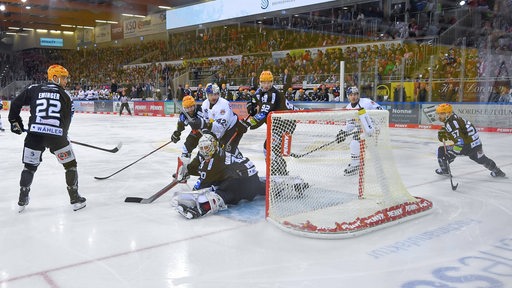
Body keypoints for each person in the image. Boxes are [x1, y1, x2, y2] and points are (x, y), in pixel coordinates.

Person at [8, 64, 86, 212]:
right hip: (57, 137)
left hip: (34, 135)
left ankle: (22, 199)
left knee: (29, 167)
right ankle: (75, 199)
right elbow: (68, 118)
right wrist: (63, 135)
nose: (66, 81)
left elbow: (16, 103)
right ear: (54, 78)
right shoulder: (66, 95)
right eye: (63, 78)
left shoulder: (34, 89)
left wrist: (14, 121)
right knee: (70, 165)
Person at [172, 133, 265, 219]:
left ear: (213, 146)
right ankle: (265, 186)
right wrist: (186, 172)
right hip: (238, 175)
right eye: (202, 148)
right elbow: (194, 168)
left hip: (246, 180)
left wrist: (193, 196)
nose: (204, 151)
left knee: (223, 192)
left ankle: (203, 209)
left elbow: (202, 184)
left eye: (207, 147)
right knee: (219, 186)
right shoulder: (208, 153)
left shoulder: (218, 159)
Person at [244, 70, 298, 175]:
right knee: (267, 148)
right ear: (260, 82)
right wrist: (251, 108)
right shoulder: (259, 92)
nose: (266, 85)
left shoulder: (272, 94)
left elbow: (264, 113)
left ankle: (279, 172)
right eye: (264, 82)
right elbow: (252, 102)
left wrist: (249, 123)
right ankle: (275, 170)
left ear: (272, 82)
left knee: (272, 148)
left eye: (268, 82)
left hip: (286, 123)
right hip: (276, 123)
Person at [435, 103, 505, 178]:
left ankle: (445, 170)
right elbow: (461, 134)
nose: (440, 116)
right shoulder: (456, 118)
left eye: (442, 114)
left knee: (442, 150)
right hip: (476, 144)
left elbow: (460, 142)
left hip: (466, 146)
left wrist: (451, 154)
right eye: (439, 114)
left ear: (448, 113)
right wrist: (447, 135)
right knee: (481, 159)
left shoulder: (451, 123)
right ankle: (497, 171)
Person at [336, 86, 383, 176]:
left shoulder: (366, 102)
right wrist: (343, 132)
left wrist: (374, 125)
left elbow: (381, 111)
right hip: (361, 129)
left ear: (358, 95)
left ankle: (356, 164)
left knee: (355, 143)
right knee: (356, 142)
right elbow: (350, 124)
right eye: (351, 95)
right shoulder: (349, 107)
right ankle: (357, 162)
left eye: (355, 94)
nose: (353, 97)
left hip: (372, 128)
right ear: (348, 96)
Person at [197, 83, 247, 157]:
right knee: (218, 149)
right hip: (219, 129)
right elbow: (206, 119)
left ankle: (241, 161)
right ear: (207, 95)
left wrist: (205, 125)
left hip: (231, 128)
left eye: (216, 94)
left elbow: (219, 128)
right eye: (211, 95)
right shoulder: (205, 104)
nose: (214, 97)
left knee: (228, 150)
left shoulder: (224, 104)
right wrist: (205, 131)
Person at [171, 95, 205, 163]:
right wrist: (177, 133)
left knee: (205, 151)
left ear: (194, 105)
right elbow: (180, 125)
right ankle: (184, 169)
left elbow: (207, 123)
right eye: (187, 108)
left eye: (191, 107)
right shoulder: (183, 115)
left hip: (205, 133)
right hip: (195, 132)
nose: (190, 110)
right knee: (186, 148)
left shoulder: (201, 110)